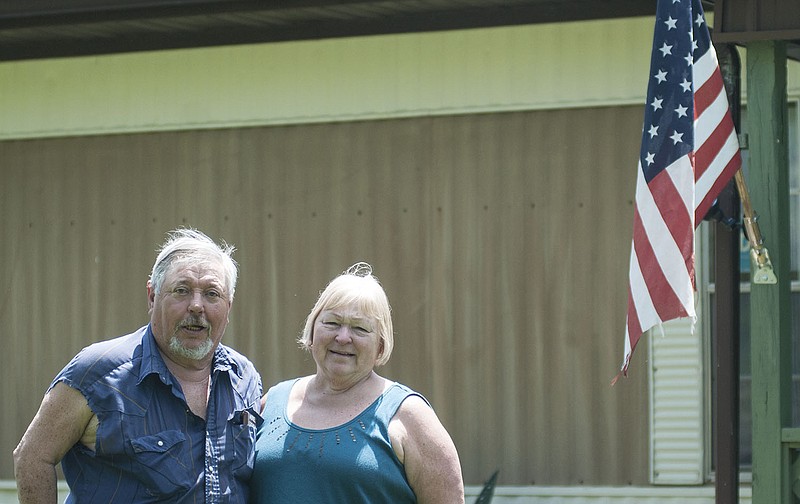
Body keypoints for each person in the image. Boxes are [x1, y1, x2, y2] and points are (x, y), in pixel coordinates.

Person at [13, 228, 263, 504]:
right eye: (181, 290)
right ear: (152, 296)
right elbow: (33, 456)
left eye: (212, 294)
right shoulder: (98, 373)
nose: (196, 306)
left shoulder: (244, 378)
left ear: (228, 306)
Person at [251, 262, 464, 504]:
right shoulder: (270, 403)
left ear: (380, 346)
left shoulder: (409, 416)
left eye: (360, 328)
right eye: (331, 323)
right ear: (311, 332)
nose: (342, 337)